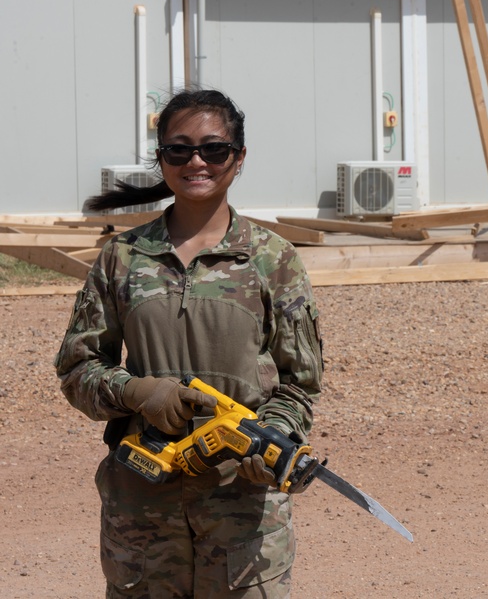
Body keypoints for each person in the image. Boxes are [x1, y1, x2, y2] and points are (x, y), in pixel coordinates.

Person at [55, 88, 324, 598]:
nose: (196, 161)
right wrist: (138, 394)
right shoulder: (123, 259)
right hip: (142, 512)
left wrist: (270, 437)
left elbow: (299, 384)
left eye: (213, 149)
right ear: (161, 161)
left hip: (243, 514)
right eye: (178, 150)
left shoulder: (273, 260)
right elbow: (77, 368)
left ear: (238, 158)